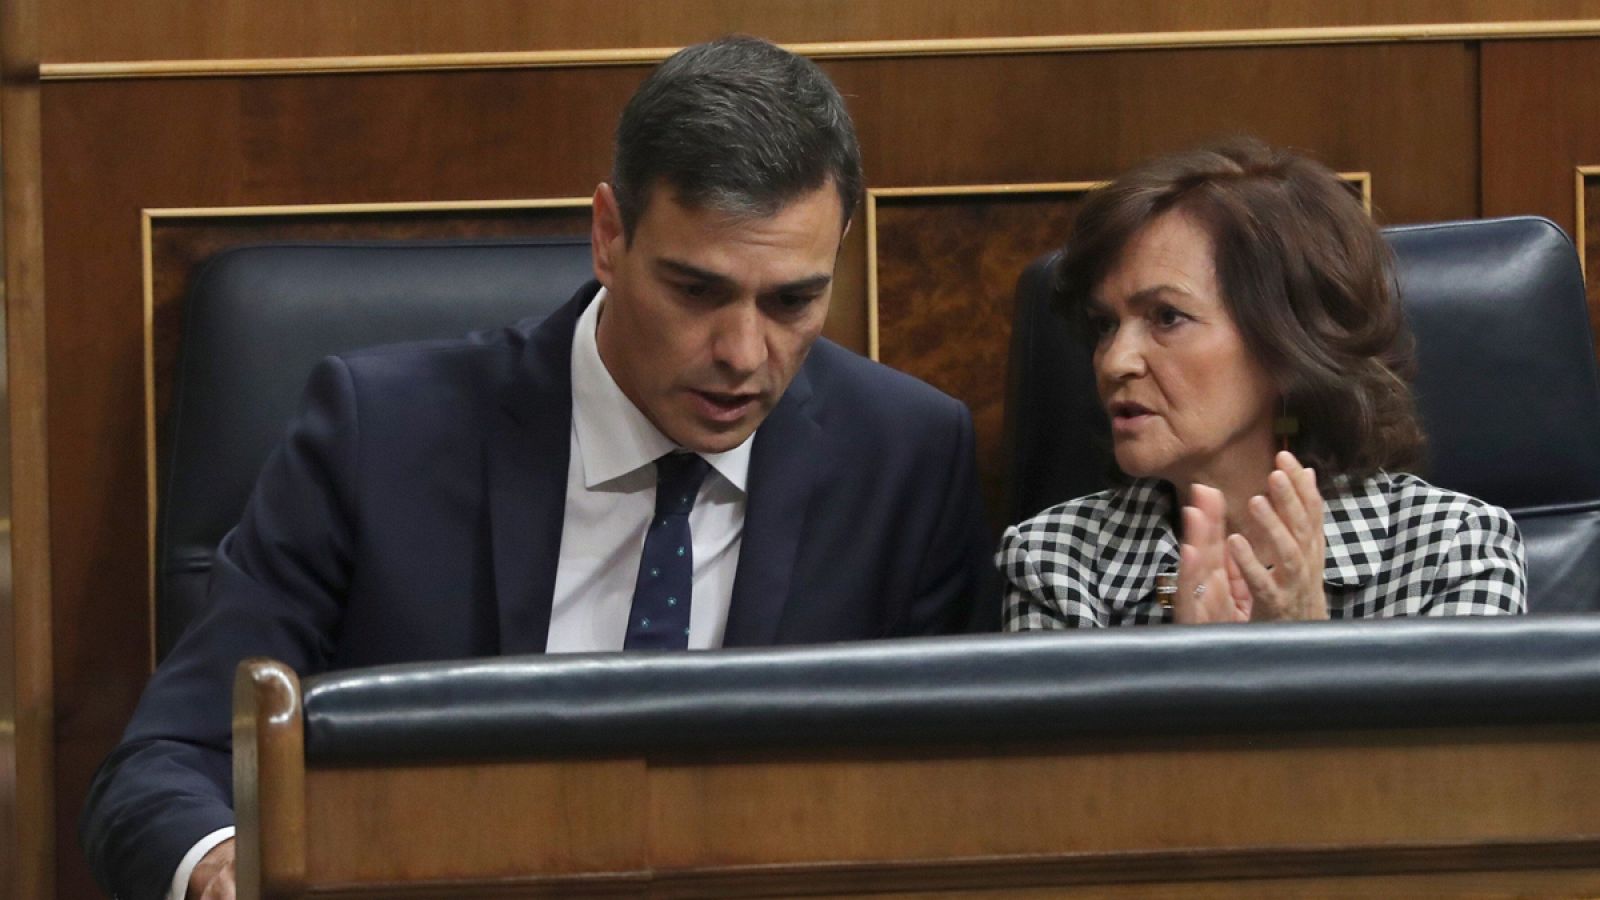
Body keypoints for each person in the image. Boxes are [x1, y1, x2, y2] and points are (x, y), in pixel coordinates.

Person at [83, 36, 994, 900]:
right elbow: (169, 762)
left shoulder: (907, 457)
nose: (744, 354)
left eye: (794, 301)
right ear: (608, 237)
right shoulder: (380, 436)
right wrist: (220, 866)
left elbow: (958, 799)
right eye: (696, 291)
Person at [1000, 138, 1527, 630]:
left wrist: (1301, 651)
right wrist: (1194, 673)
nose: (1116, 362)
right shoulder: (1053, 560)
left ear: (1287, 342)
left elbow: (1456, 737)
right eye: (1104, 325)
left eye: (1166, 317)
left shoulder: (1454, 550)